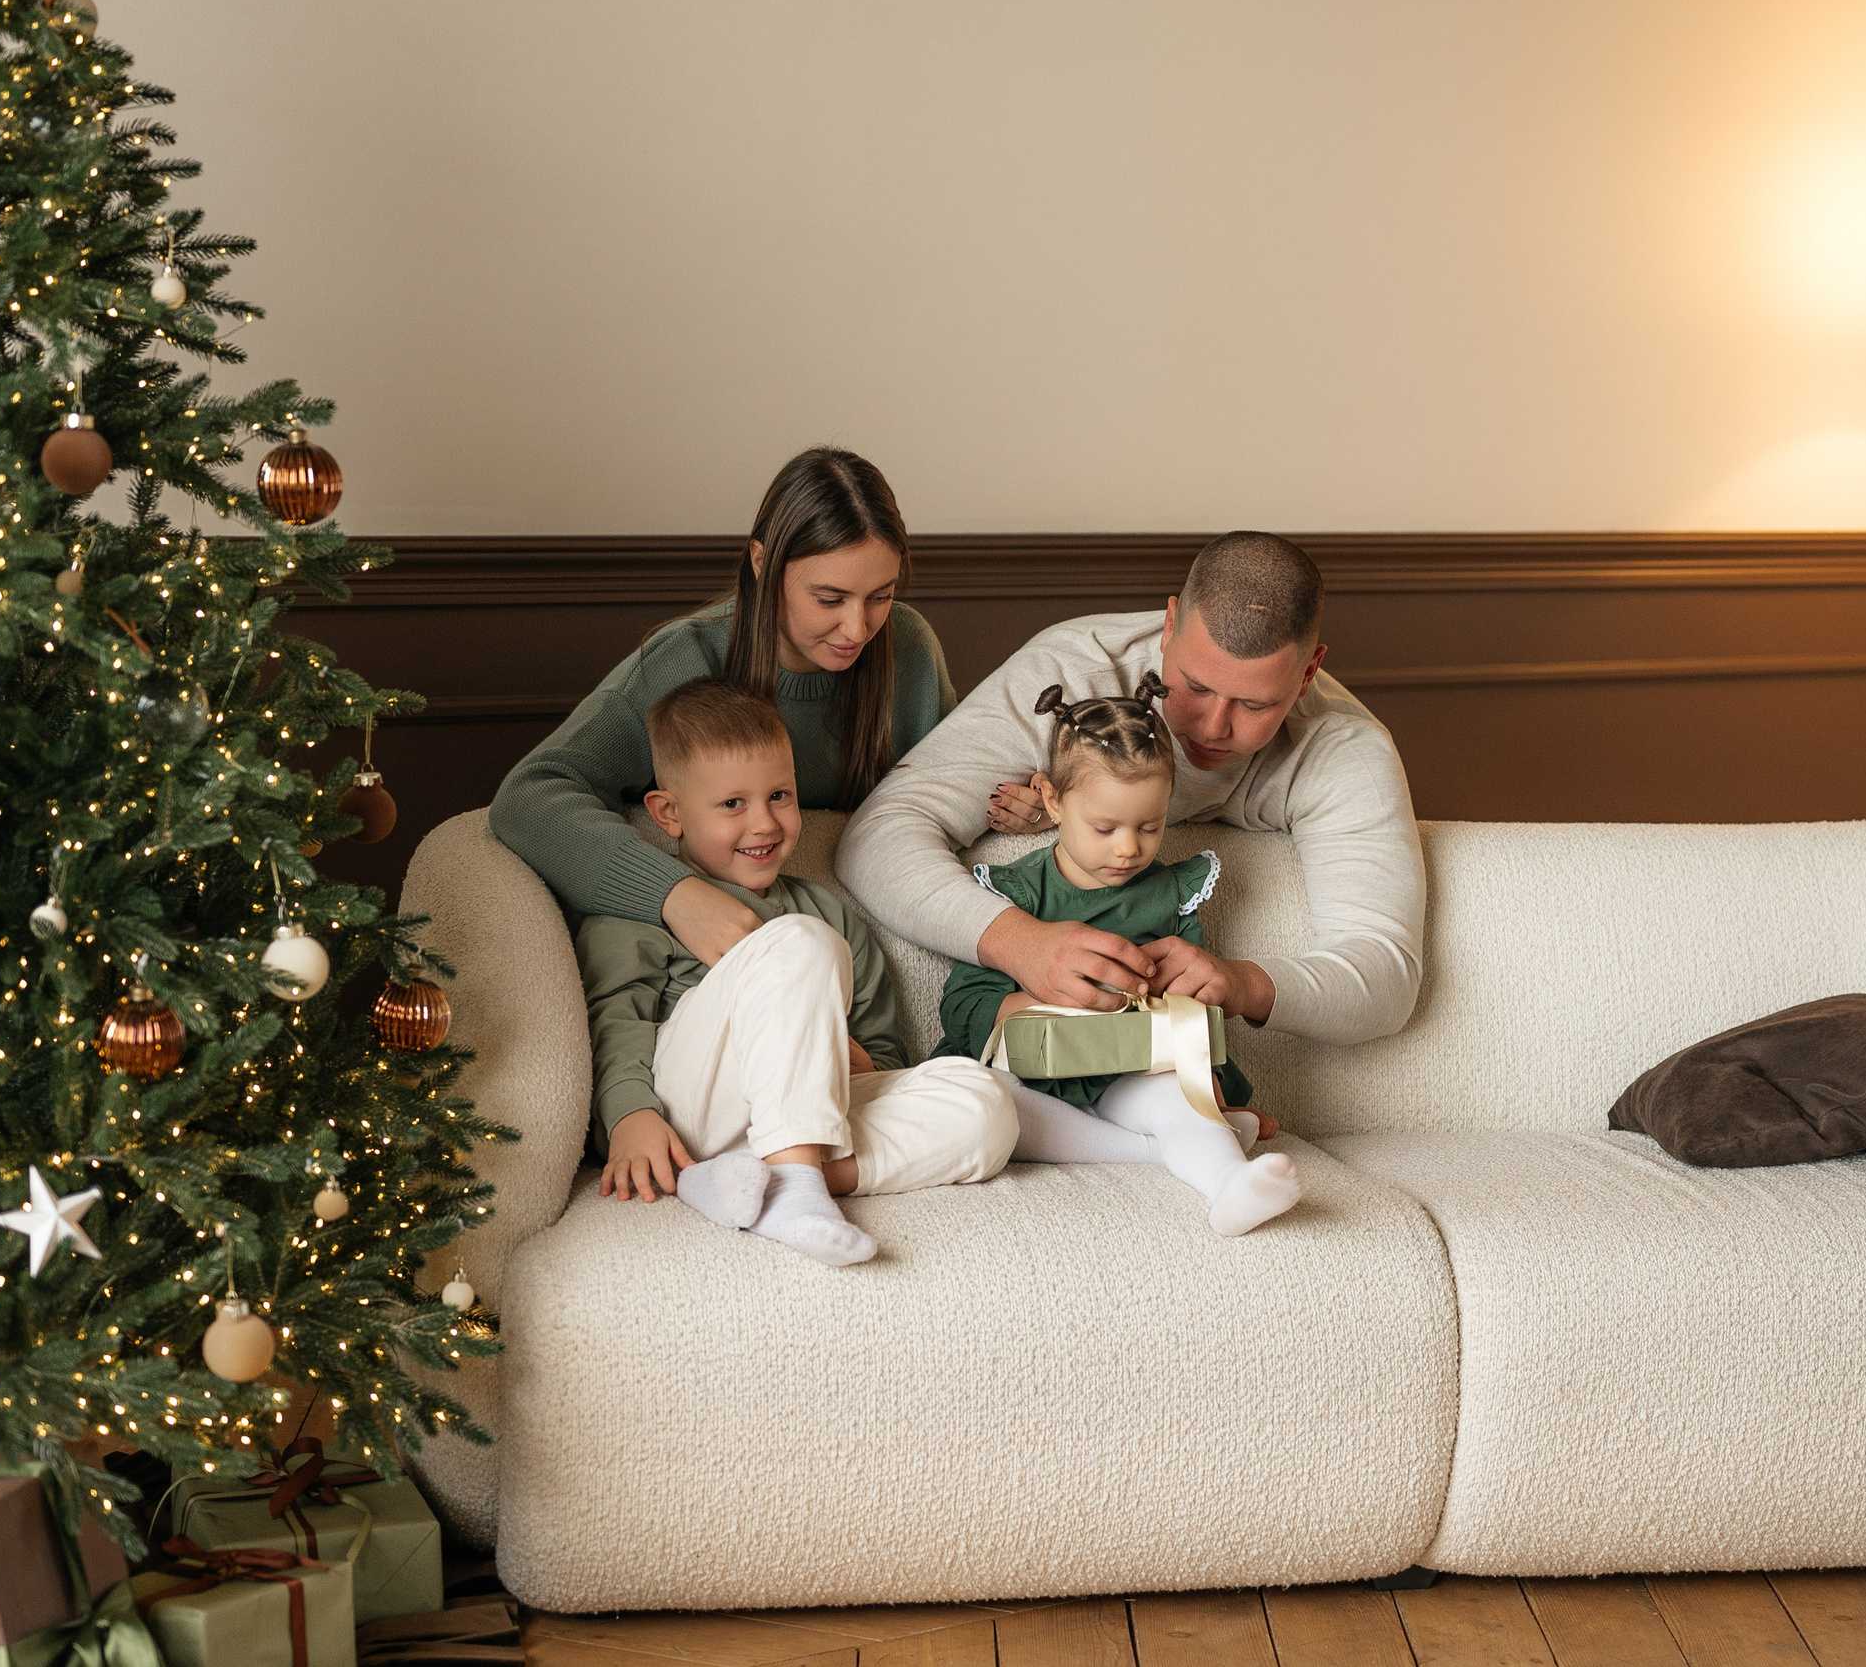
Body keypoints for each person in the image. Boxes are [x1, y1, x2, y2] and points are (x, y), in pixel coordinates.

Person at [839, 531, 1422, 1047]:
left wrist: (1242, 983)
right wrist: (1020, 943)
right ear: (1169, 626)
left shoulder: (1343, 749)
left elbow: (1386, 976)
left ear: (1309, 671)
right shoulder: (1073, 674)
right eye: (1194, 687)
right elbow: (876, 838)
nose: (1213, 727)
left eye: (1254, 704)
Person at [580, 678, 1019, 1267]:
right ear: (669, 814)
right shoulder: (640, 910)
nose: (764, 823)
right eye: (733, 804)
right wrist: (629, 1115)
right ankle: (793, 1188)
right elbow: (616, 1024)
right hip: (685, 1109)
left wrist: (859, 1057)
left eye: (779, 796)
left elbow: (882, 1054)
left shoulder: (828, 910)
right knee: (798, 942)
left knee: (985, 1105)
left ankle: (757, 1179)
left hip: (810, 1114)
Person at [491, 447, 954, 969]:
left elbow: (947, 796)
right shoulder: (685, 657)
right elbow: (530, 794)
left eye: (881, 596)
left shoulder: (909, 648)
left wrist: (1009, 803)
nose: (858, 629)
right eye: (829, 599)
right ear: (762, 563)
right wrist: (676, 895)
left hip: (851, 956)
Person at [934, 676, 1303, 1236]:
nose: (1128, 848)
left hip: (1129, 1074)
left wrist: (1200, 1044)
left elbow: (1192, 1016)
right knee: (982, 1105)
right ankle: (1160, 1152)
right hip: (1034, 1081)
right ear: (1052, 801)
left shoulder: (1171, 892)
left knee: (1178, 1101)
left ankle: (1228, 1182)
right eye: (1104, 828)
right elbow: (963, 1004)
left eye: (1148, 826)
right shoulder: (1017, 892)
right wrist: (1023, 1004)